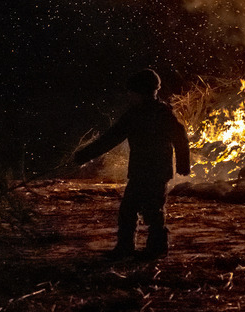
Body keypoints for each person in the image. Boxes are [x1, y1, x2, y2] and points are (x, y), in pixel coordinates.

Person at [73, 69, 191, 259]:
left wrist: (184, 165)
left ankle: (157, 249)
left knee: (153, 211)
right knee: (128, 209)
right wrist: (85, 156)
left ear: (141, 92)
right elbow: (111, 138)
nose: (128, 95)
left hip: (158, 172)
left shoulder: (161, 114)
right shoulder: (135, 114)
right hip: (140, 171)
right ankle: (125, 248)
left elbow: (180, 138)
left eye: (132, 92)